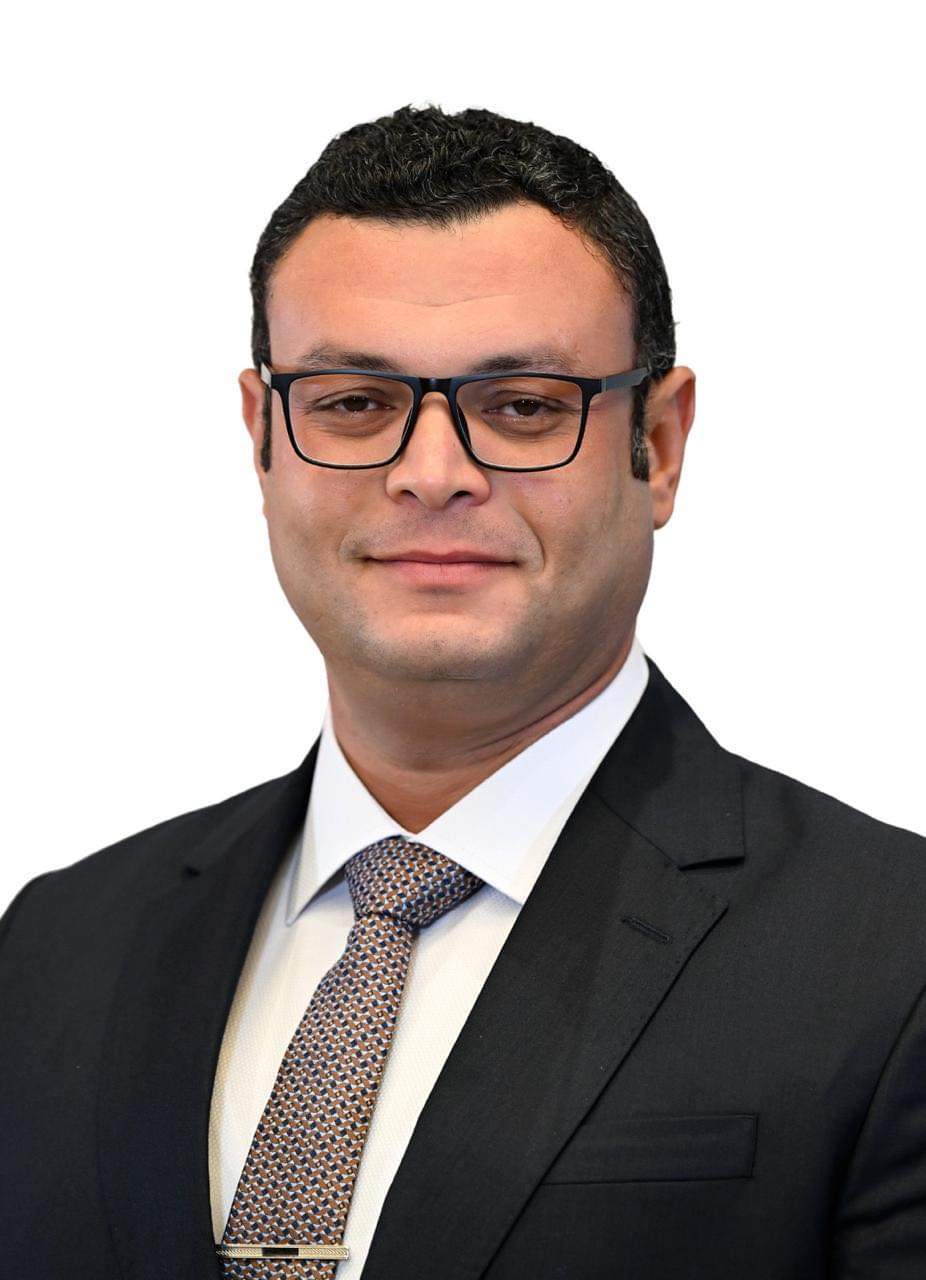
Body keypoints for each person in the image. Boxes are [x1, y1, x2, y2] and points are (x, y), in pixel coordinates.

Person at [1, 103, 925, 1280]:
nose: (430, 472)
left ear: (658, 442)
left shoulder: (889, 956)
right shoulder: (54, 949)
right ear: (262, 436)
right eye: (352, 402)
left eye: (523, 405)